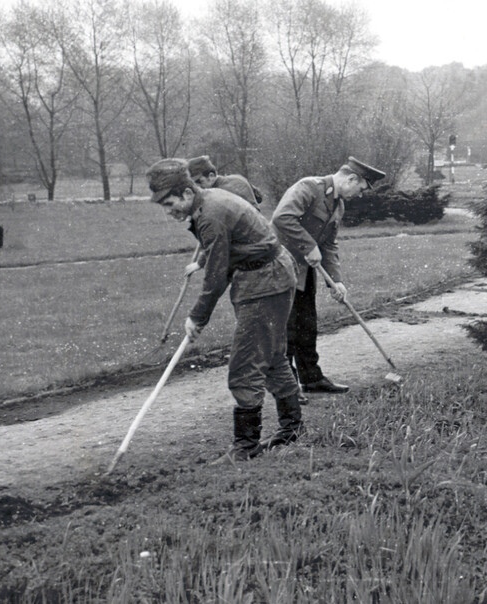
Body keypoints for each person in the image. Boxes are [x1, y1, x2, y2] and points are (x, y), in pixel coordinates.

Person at [147, 158, 303, 461]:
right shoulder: (208, 201)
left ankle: (245, 447)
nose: (169, 211)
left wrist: (197, 317)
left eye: (169, 203)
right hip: (267, 275)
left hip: (265, 280)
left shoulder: (210, 214)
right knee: (271, 356)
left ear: (187, 193)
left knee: (245, 364)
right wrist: (202, 260)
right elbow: (224, 248)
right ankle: (292, 429)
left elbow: (217, 275)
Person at [272, 157, 385, 394]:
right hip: (281, 267)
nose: (360, 194)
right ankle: (288, 387)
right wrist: (308, 245)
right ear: (351, 179)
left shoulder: (338, 205)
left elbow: (330, 245)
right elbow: (282, 217)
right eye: (361, 188)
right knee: (288, 328)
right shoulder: (308, 187)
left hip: (305, 271)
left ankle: (311, 379)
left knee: (307, 325)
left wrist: (336, 281)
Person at [187, 155, 262, 207]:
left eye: (200, 182)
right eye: (195, 184)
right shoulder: (237, 178)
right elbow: (259, 197)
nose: (199, 187)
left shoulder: (222, 191)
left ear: (211, 176)